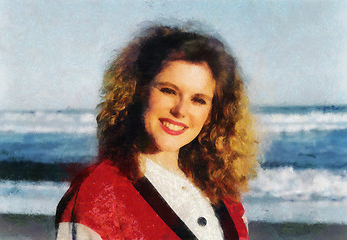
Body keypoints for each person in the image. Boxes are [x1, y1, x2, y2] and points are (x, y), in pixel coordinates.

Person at [55, 24, 258, 240]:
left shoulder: (225, 197)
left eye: (198, 100)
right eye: (169, 91)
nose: (180, 110)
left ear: (213, 113)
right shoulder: (99, 192)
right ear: (138, 90)